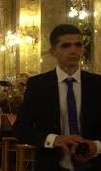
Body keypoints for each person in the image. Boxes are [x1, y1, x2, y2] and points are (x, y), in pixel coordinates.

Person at [14, 24, 101, 171]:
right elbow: (21, 129)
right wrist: (54, 140)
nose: (73, 50)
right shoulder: (38, 85)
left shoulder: (97, 84)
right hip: (51, 164)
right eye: (66, 46)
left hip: (94, 164)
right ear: (53, 51)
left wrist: (96, 146)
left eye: (78, 45)